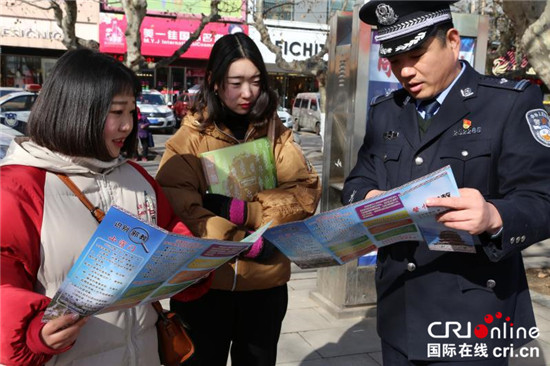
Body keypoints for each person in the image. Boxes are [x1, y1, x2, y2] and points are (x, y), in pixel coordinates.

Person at [343, 1, 550, 365]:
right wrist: (370, 197)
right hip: (399, 312)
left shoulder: (507, 104)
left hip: (471, 319)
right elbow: (359, 179)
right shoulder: (386, 111)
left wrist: (493, 215)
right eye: (394, 61)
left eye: (416, 54)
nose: (405, 71)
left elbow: (541, 198)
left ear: (452, 41)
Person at [0, 48, 211, 366]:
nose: (128, 126)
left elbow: (171, 234)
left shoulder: (138, 178)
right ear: (77, 110)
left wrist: (191, 265)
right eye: (116, 112)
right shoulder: (19, 188)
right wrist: (33, 334)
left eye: (131, 112)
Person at [156, 32, 321, 366]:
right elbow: (183, 210)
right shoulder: (187, 141)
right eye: (236, 82)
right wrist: (243, 242)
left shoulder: (275, 133)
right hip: (205, 289)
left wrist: (243, 211)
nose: (248, 93)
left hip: (265, 287)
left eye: (256, 81)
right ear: (215, 82)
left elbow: (304, 195)